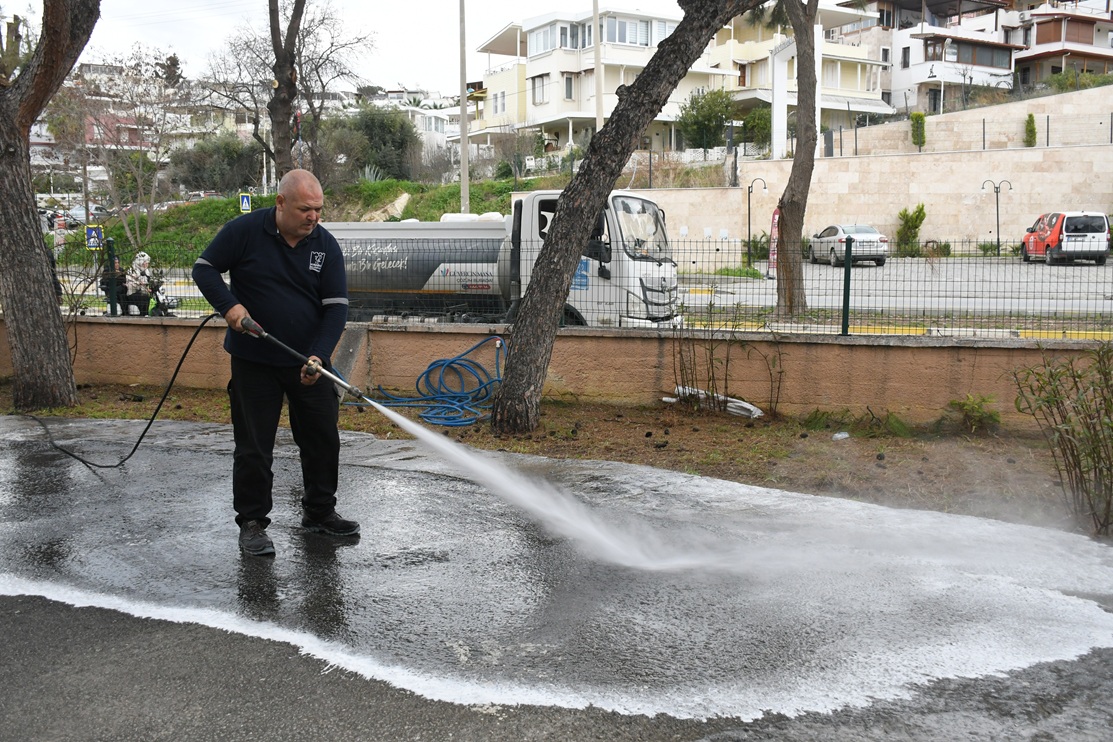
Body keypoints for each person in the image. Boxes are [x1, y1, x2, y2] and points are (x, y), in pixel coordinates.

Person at [192, 169, 356, 557]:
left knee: (322, 438)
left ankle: (319, 511)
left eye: (318, 209)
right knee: (254, 447)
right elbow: (204, 268)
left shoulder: (325, 246)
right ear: (280, 203)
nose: (313, 217)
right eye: (305, 209)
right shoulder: (244, 231)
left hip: (308, 362)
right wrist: (230, 306)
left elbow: (336, 309)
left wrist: (318, 355)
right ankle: (252, 524)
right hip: (254, 361)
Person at [125, 252, 152, 316]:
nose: (147, 264)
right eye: (145, 262)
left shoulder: (146, 271)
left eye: (147, 262)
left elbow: (147, 282)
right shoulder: (132, 270)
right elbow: (131, 285)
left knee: (148, 297)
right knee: (145, 298)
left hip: (142, 292)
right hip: (132, 293)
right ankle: (144, 315)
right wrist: (140, 284)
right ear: (140, 262)